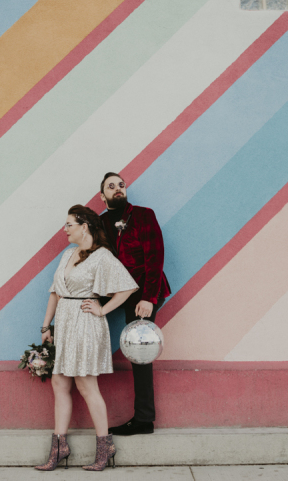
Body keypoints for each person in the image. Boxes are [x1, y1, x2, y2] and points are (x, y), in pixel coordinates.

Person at [36, 204, 138, 471]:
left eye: (69, 224)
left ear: (84, 226)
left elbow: (127, 287)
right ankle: (59, 448)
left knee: (86, 385)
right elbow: (55, 292)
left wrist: (102, 309)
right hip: (64, 324)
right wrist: (46, 327)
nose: (65, 229)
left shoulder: (102, 256)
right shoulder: (67, 254)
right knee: (59, 382)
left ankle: (105, 447)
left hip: (85, 324)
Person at [99, 172, 171, 436]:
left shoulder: (143, 215)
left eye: (121, 185)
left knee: (139, 350)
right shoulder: (101, 222)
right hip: (119, 291)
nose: (118, 188)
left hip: (145, 292)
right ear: (103, 196)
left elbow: (155, 257)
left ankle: (144, 419)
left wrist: (149, 298)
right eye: (111, 186)